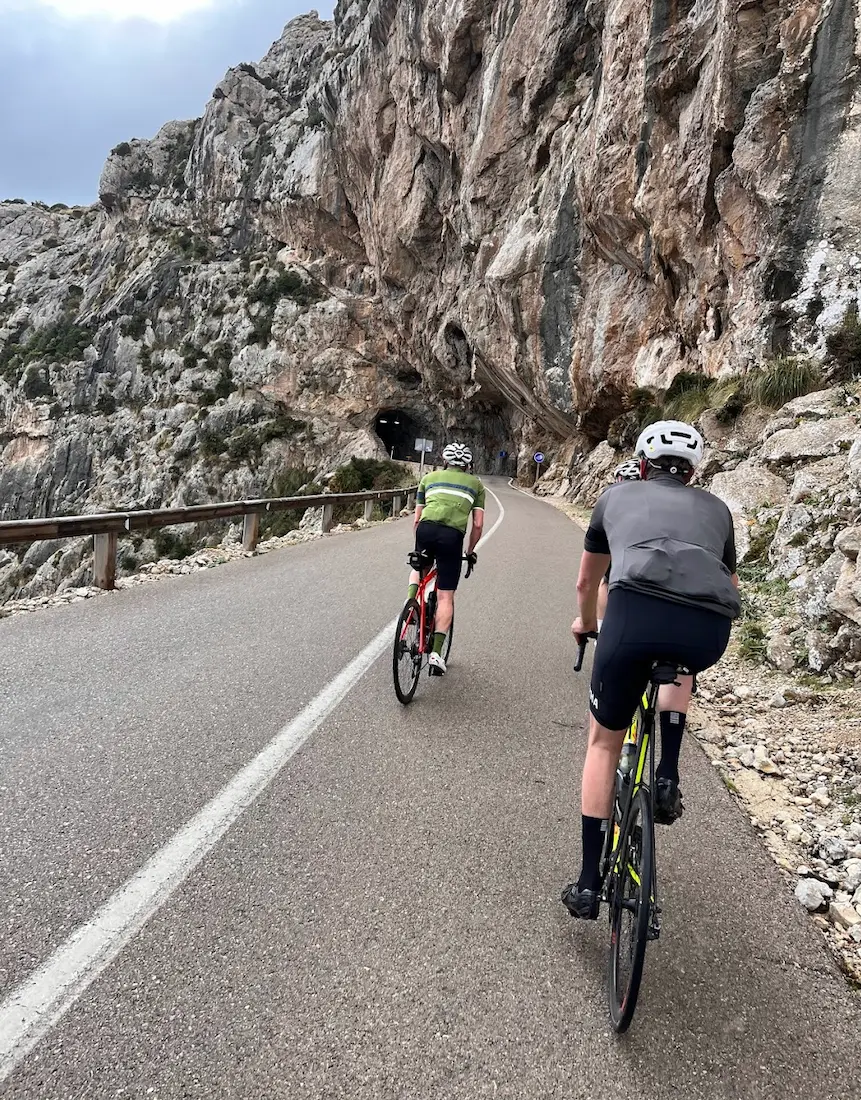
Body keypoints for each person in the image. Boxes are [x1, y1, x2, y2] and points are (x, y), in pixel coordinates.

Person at [562, 420, 740, 920]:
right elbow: (722, 578)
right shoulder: (718, 509)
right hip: (707, 631)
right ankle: (667, 775)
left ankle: (589, 884)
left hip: (633, 619)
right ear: (692, 471)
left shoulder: (615, 497)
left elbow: (585, 581)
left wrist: (586, 624)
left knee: (602, 742)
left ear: (641, 463)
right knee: (679, 664)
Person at [407, 442, 485, 674]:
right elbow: (478, 525)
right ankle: (435, 654)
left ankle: (412, 604)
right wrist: (469, 552)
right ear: (468, 465)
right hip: (452, 537)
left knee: (420, 566)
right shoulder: (476, 485)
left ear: (445, 461)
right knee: (445, 596)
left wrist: (420, 545)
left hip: (426, 530)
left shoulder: (429, 478)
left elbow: (416, 519)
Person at [597, 459, 641, 628]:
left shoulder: (609, 495)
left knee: (606, 582)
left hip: (616, 547)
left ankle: (601, 630)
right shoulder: (652, 497)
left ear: (619, 478)